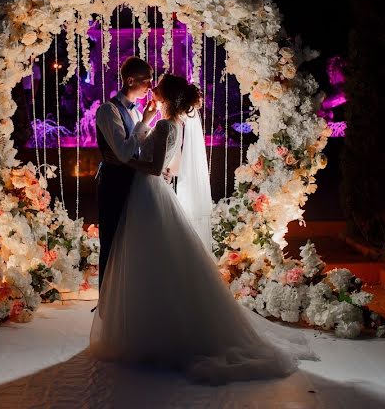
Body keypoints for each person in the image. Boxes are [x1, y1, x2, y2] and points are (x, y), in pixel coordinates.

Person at [90, 73, 313, 385]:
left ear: (166, 97)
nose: (152, 90)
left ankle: (148, 327)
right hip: (154, 191)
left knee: (148, 257)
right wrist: (159, 165)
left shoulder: (167, 124)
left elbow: (153, 167)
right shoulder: (177, 124)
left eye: (158, 87)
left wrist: (128, 163)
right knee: (159, 257)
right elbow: (173, 166)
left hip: (147, 191)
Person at [93, 57, 156, 291]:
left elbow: (137, 150)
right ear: (130, 80)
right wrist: (147, 122)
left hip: (135, 183)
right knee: (111, 241)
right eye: (147, 82)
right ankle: (107, 299)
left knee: (132, 241)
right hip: (114, 184)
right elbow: (123, 152)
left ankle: (128, 295)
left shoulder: (137, 113)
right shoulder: (107, 111)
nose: (150, 87)